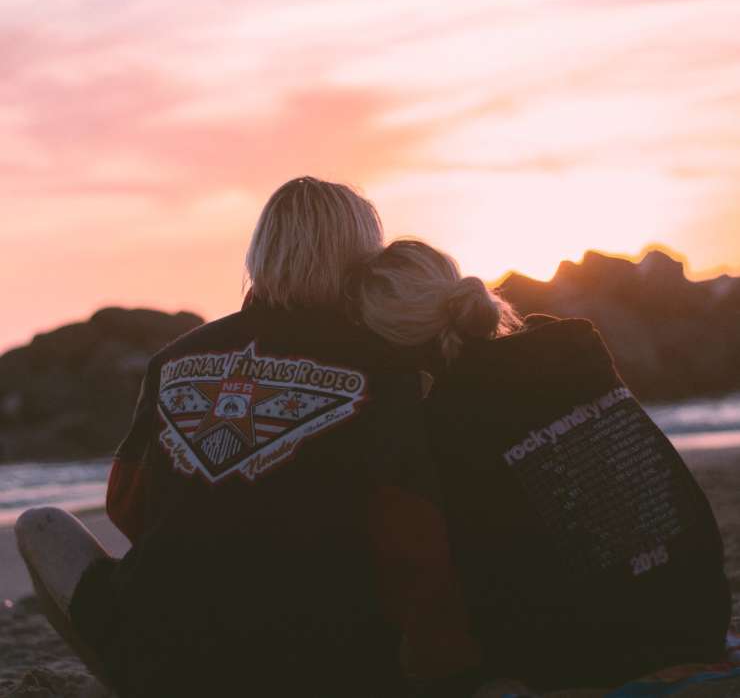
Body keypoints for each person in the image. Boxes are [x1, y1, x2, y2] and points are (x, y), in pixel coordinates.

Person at [15, 181, 480, 698]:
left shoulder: (173, 360)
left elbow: (127, 506)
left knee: (41, 525)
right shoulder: (389, 369)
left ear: (259, 252)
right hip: (332, 666)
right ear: (363, 260)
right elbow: (411, 534)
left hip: (165, 662)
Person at [346, 239, 732, 691]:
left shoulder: (447, 417)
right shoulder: (571, 342)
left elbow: (485, 572)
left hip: (604, 651)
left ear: (394, 344)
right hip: (700, 609)